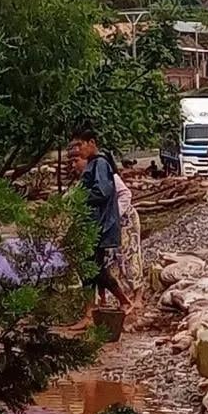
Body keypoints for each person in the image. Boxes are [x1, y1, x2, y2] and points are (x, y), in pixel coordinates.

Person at [69, 129, 133, 329]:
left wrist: (78, 198)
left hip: (100, 226)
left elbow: (102, 191)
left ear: (91, 143)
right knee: (93, 269)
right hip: (95, 225)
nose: (77, 151)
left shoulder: (100, 164)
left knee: (93, 269)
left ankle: (115, 305)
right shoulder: (96, 164)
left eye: (80, 146)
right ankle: (96, 310)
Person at [70, 153, 144, 305]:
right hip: (103, 223)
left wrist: (113, 214)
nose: (73, 165)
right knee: (105, 261)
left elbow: (125, 194)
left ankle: (137, 298)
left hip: (124, 219)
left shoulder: (106, 175)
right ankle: (103, 299)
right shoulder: (85, 180)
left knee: (128, 256)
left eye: (77, 160)